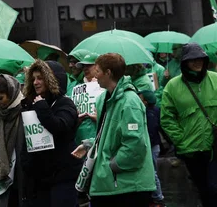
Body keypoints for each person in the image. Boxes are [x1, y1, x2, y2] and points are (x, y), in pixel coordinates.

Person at [160, 43, 217, 207]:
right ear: (184, 62)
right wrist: (180, 140)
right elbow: (167, 118)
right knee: (203, 189)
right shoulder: (172, 86)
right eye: (192, 60)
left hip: (215, 147)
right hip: (191, 149)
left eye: (200, 59)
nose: (197, 62)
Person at [72, 53, 155, 207]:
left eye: (97, 71)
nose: (94, 76)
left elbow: (135, 145)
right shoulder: (104, 99)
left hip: (127, 187)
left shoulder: (129, 102)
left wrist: (111, 166)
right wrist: (90, 144)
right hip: (109, 185)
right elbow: (107, 136)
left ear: (108, 73)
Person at [22, 60, 81, 206]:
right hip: (40, 179)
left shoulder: (65, 104)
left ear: (53, 80)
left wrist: (42, 108)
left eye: (40, 78)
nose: (36, 82)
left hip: (62, 177)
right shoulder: (33, 104)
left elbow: (60, 127)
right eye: (34, 78)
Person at [0, 74, 26, 207]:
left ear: (11, 93)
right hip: (3, 179)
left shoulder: (26, 112)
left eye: (0, 98)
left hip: (22, 177)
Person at [139, 89, 165, 207]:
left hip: (151, 146)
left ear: (145, 101)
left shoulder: (148, 114)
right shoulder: (156, 111)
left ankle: (158, 198)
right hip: (155, 145)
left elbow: (150, 131)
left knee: (152, 172)